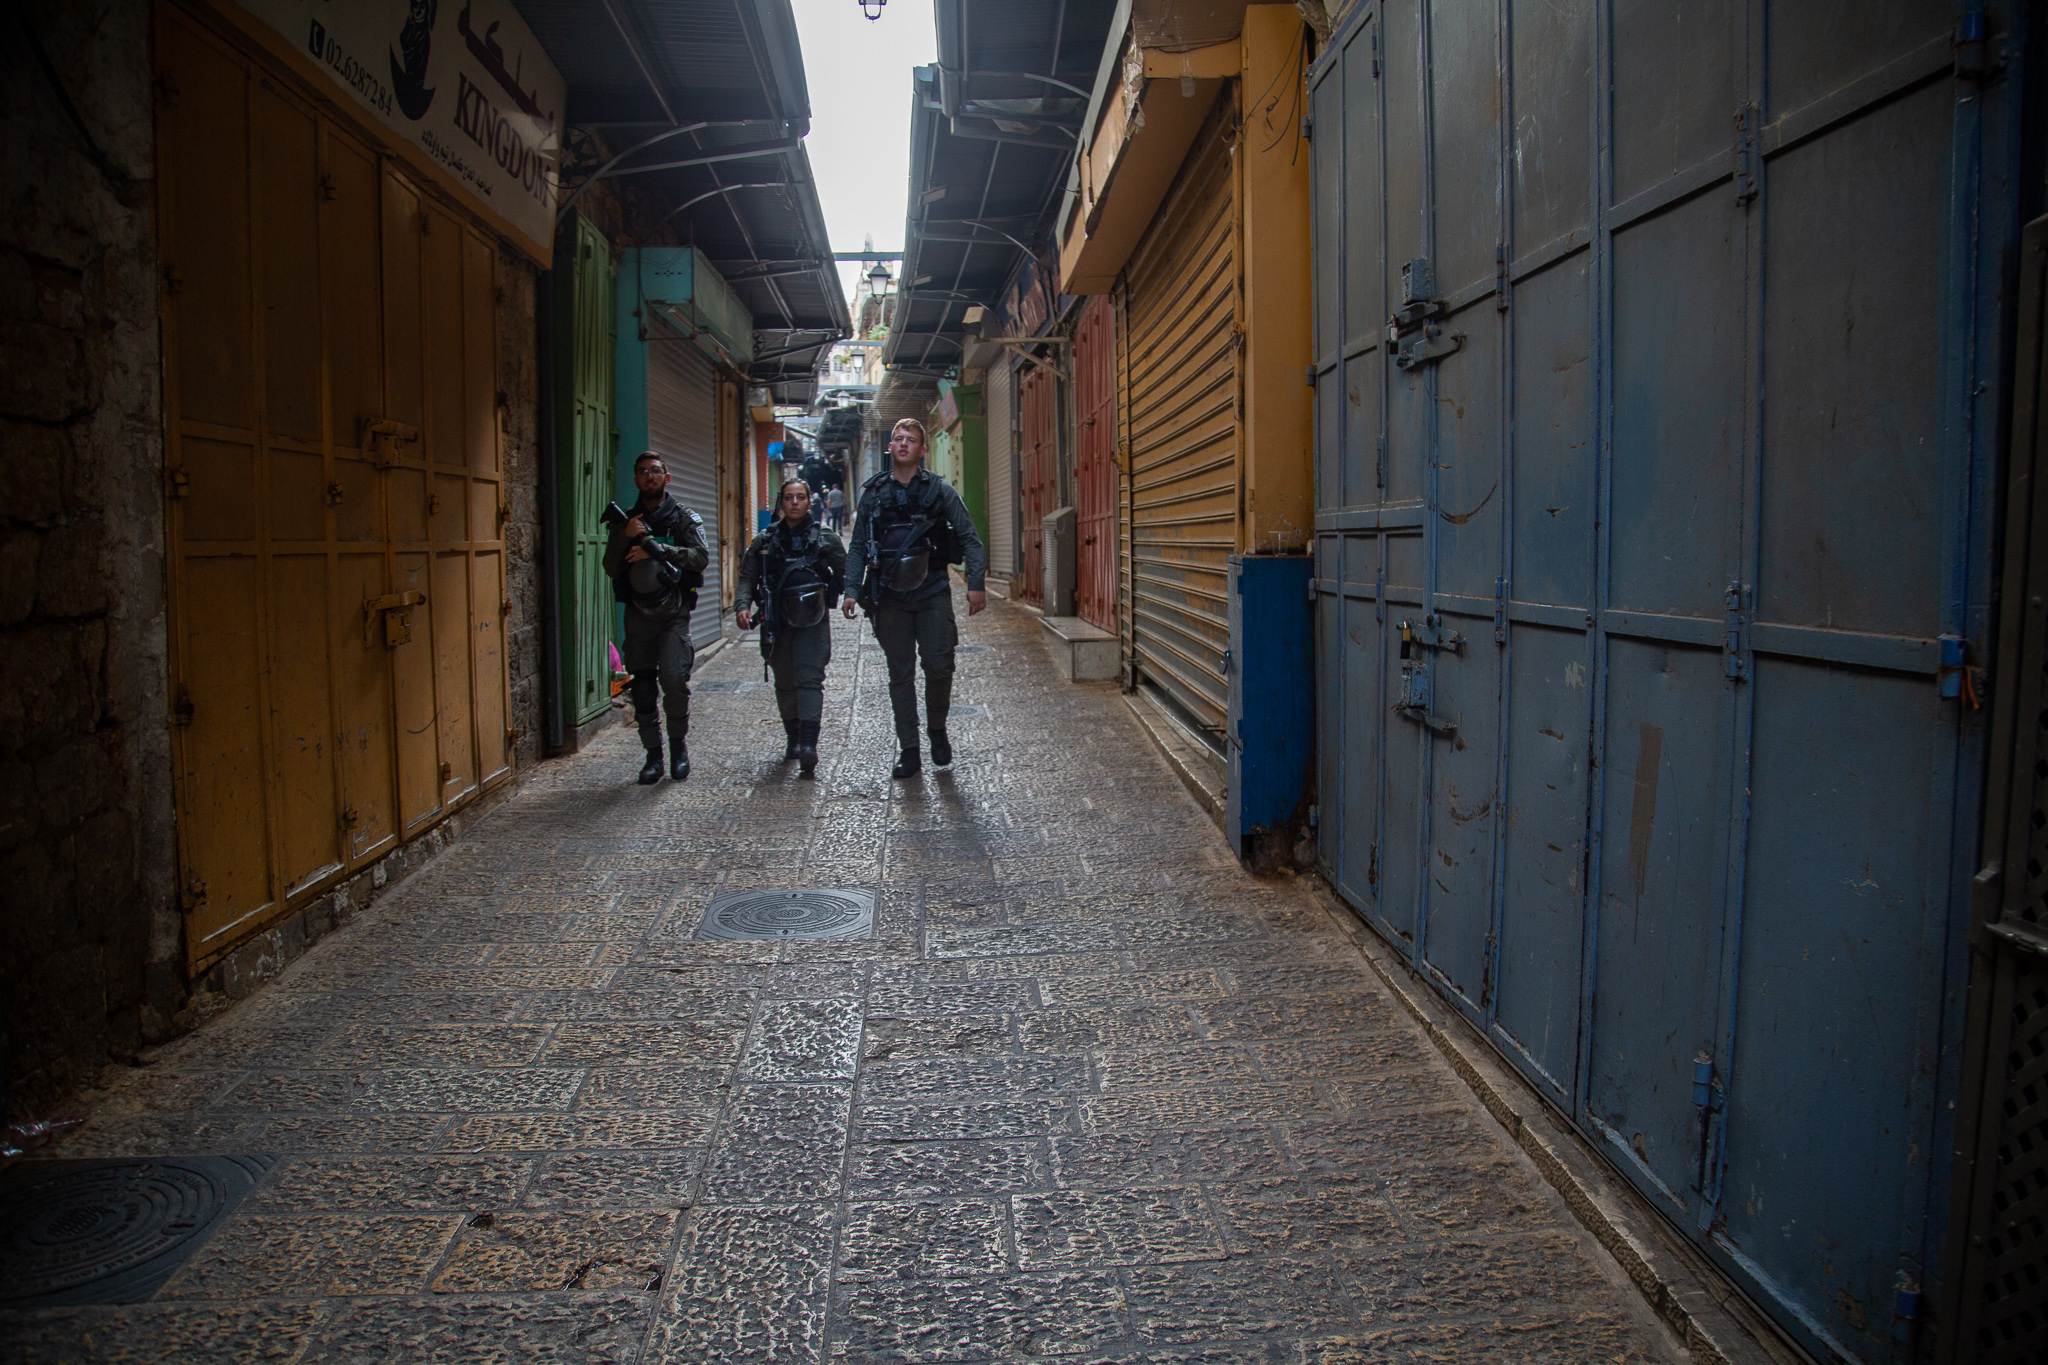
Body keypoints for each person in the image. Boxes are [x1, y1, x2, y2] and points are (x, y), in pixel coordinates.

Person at [843, 418, 987, 779]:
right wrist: (849, 589)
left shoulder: (939, 491)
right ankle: (909, 749)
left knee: (940, 665)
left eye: (911, 440)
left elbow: (970, 536)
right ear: (890, 447)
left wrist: (977, 582)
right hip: (890, 598)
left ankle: (936, 728)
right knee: (900, 674)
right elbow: (859, 545)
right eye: (898, 439)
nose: (903, 444)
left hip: (933, 591)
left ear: (923, 450)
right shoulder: (873, 494)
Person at [603, 452, 710, 784]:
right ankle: (653, 757)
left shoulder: (682, 518)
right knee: (644, 687)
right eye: (642, 472)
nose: (649, 477)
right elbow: (610, 567)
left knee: (675, 681)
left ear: (667, 478)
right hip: (638, 615)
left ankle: (679, 749)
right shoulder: (627, 520)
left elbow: (700, 557)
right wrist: (625, 535)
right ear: (636, 481)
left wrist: (658, 549)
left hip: (673, 614)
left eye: (655, 471)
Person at [736, 478, 846, 777]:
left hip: (813, 619)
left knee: (810, 678)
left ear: (810, 501)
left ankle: (809, 745)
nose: (795, 502)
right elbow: (747, 576)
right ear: (780, 502)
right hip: (776, 618)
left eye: (800, 497)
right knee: (784, 680)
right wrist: (743, 605)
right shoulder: (765, 540)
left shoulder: (826, 538)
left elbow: (846, 572)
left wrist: (853, 598)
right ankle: (794, 739)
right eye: (788, 497)